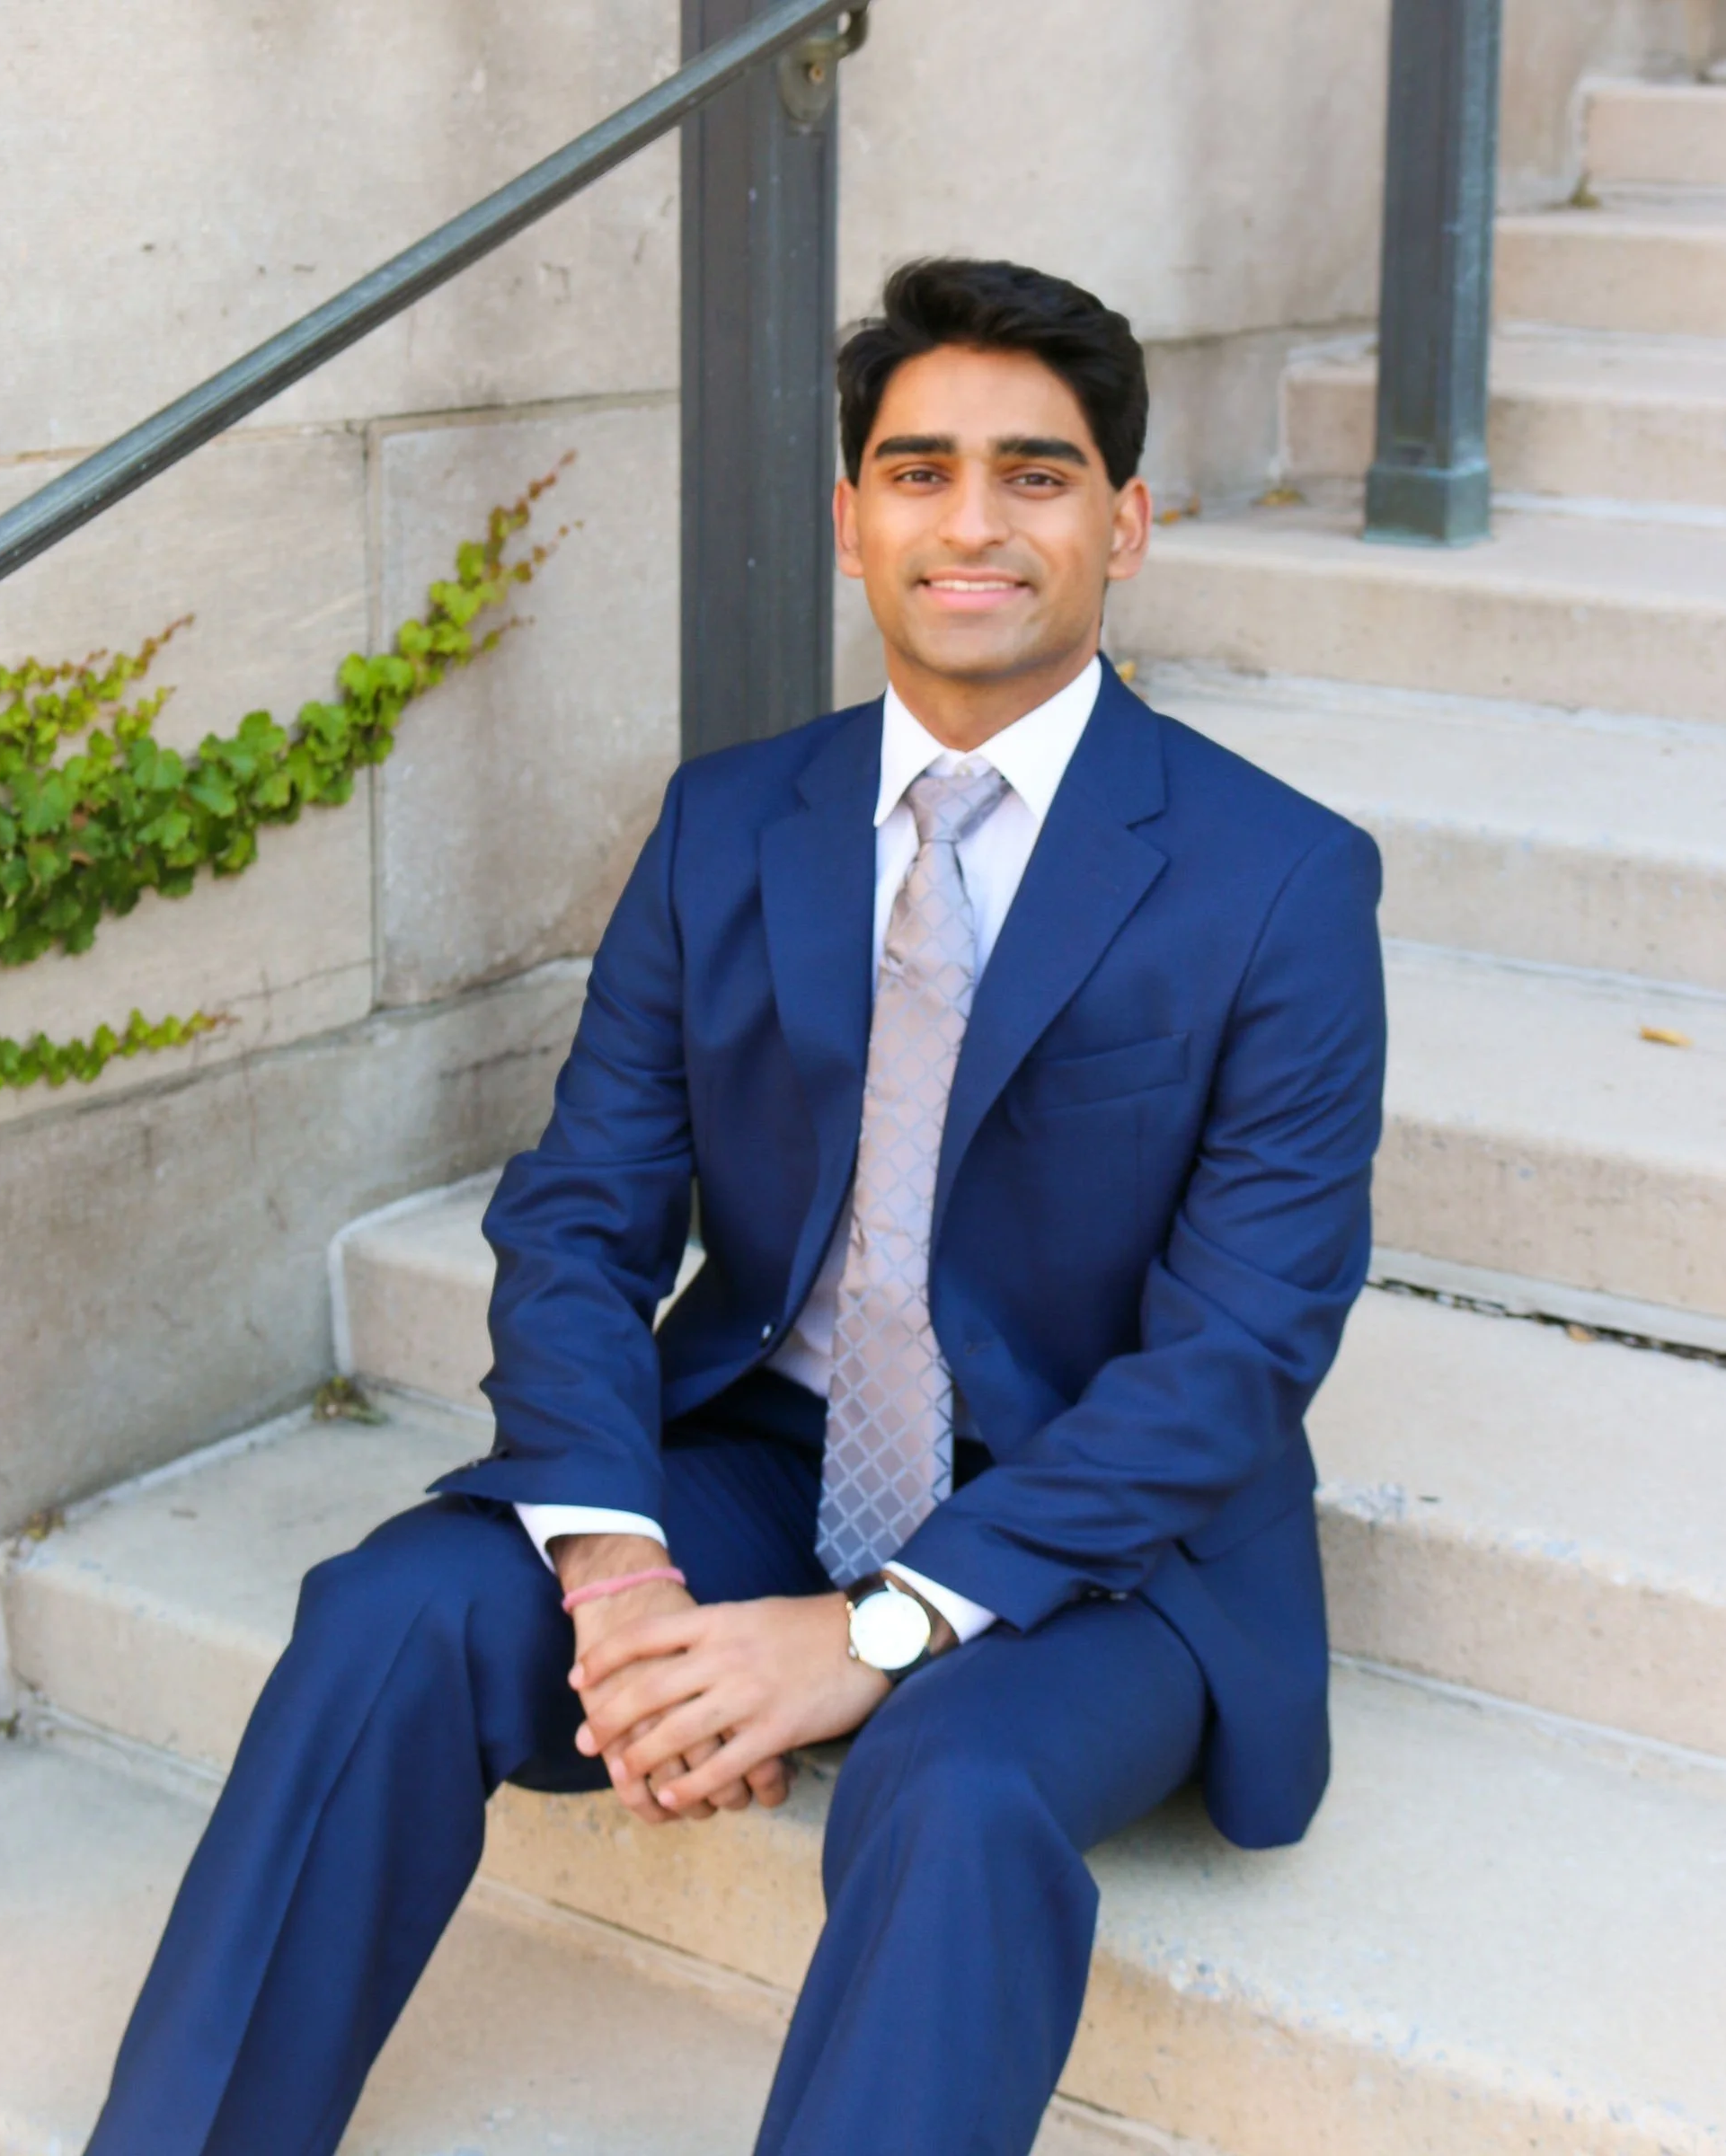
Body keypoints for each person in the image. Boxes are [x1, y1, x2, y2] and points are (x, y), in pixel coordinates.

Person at [85, 256, 1386, 2156]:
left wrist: (861, 1640)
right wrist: (619, 1574)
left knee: (950, 1787)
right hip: (773, 1457)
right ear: (852, 521)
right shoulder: (727, 822)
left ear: (1126, 524)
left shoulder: (1279, 880)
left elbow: (1240, 1357)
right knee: (398, 1610)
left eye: (1034, 475)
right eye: (920, 470)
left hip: (1111, 1546)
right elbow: (578, 1219)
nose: (972, 521)